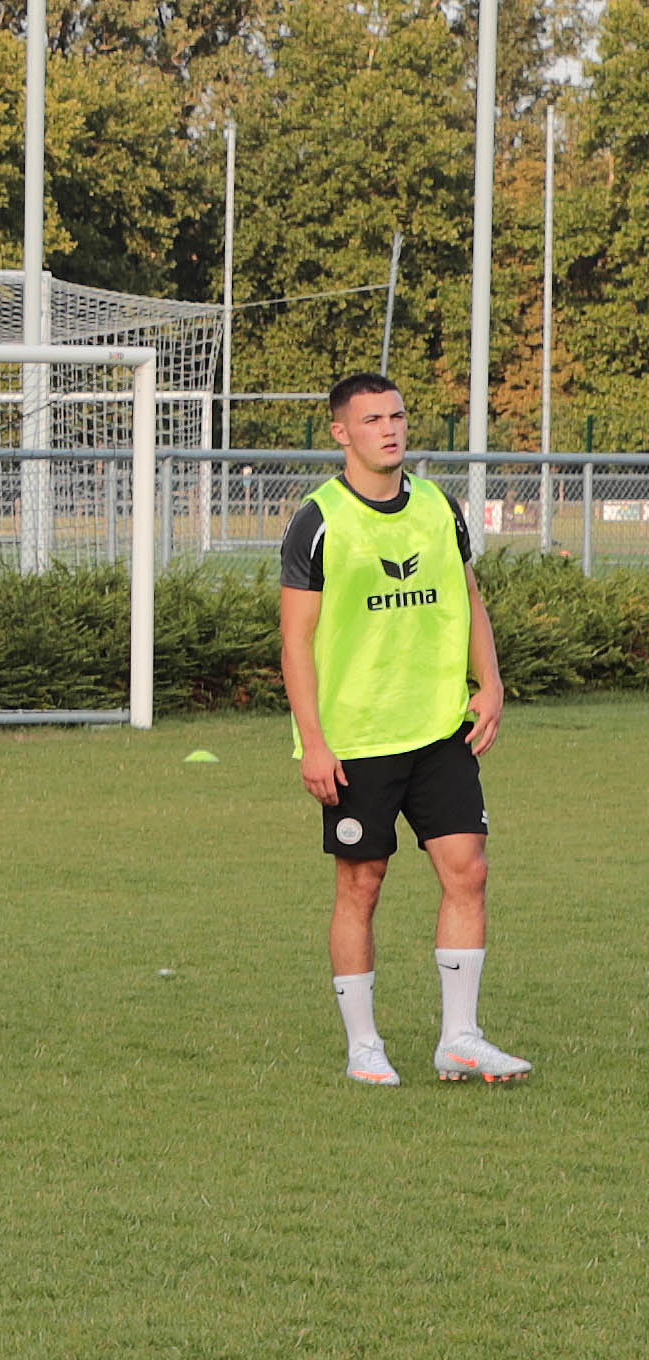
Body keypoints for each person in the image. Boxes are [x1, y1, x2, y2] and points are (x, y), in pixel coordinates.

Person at [285, 370, 523, 1085]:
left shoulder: (440, 508)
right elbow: (296, 641)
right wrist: (314, 743)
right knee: (363, 883)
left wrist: (490, 681)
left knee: (469, 869)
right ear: (341, 432)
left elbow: (468, 595)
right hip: (356, 740)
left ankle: (461, 1038)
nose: (389, 429)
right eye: (372, 420)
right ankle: (364, 1045)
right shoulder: (319, 519)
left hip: (439, 729)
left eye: (396, 416)